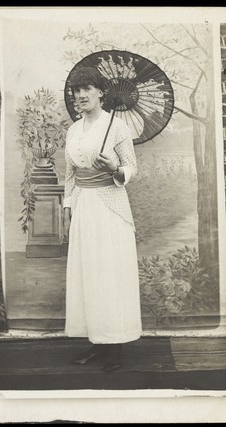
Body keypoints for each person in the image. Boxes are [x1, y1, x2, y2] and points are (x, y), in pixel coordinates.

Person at [63, 66, 142, 372]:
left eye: (86, 89)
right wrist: (69, 209)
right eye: (76, 91)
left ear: (101, 93)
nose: (80, 96)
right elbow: (70, 174)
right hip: (84, 208)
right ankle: (98, 343)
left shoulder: (117, 127)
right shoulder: (73, 131)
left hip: (110, 208)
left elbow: (131, 169)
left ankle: (116, 347)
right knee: (89, 275)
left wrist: (113, 168)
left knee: (110, 274)